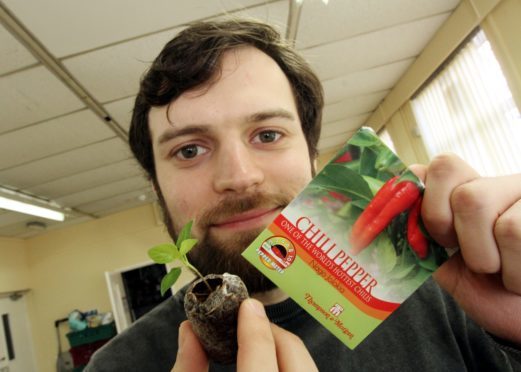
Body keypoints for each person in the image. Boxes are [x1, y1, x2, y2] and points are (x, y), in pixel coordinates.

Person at [86, 18, 521, 371]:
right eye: (189, 149)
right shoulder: (119, 366)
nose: (239, 177)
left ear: (313, 157)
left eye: (268, 134)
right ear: (156, 188)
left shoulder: (447, 292)